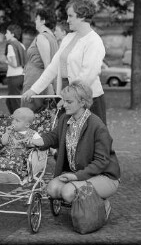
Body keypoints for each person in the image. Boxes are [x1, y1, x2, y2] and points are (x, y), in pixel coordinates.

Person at [38, 81, 120, 220]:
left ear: (82, 102)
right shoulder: (65, 119)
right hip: (79, 173)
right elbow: (54, 136)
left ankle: (102, 204)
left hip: (105, 176)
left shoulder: (97, 125)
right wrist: (38, 141)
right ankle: (86, 201)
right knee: (52, 189)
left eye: (69, 101)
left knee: (68, 193)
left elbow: (101, 162)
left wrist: (75, 177)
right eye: (64, 101)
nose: (64, 105)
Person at [22, 0, 107, 125]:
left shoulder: (94, 41)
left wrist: (68, 99)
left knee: (89, 142)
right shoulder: (68, 38)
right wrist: (34, 90)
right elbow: (53, 67)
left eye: (71, 16)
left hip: (88, 101)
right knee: (66, 141)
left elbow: (86, 77)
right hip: (68, 99)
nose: (67, 20)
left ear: (82, 16)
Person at [21, 9, 58, 113]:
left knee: (27, 113)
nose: (35, 22)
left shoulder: (42, 37)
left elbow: (48, 64)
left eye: (37, 19)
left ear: (43, 21)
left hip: (35, 80)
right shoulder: (52, 38)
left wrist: (49, 85)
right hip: (39, 79)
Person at [0, 24, 26, 114]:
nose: (5, 35)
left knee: (14, 103)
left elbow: (14, 64)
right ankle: (15, 119)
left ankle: (19, 120)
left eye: (7, 33)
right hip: (22, 75)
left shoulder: (11, 45)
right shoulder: (21, 45)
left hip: (14, 77)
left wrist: (3, 60)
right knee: (9, 101)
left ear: (12, 34)